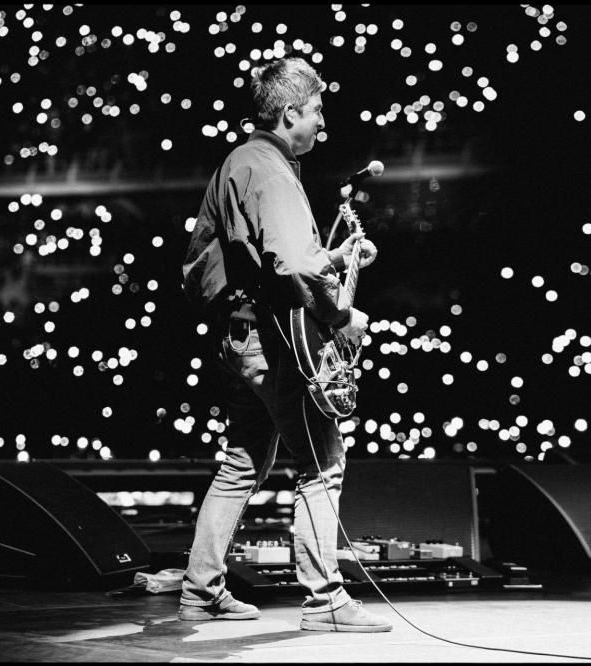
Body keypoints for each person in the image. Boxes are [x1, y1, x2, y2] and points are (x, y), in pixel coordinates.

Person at [179, 57, 391, 633]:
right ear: (290, 112)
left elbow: (251, 261)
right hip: (271, 341)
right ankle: (326, 601)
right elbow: (294, 264)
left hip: (240, 336)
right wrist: (341, 314)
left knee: (241, 463)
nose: (322, 122)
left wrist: (337, 258)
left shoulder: (239, 161)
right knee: (323, 461)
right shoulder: (270, 170)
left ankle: (201, 591)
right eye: (317, 110)